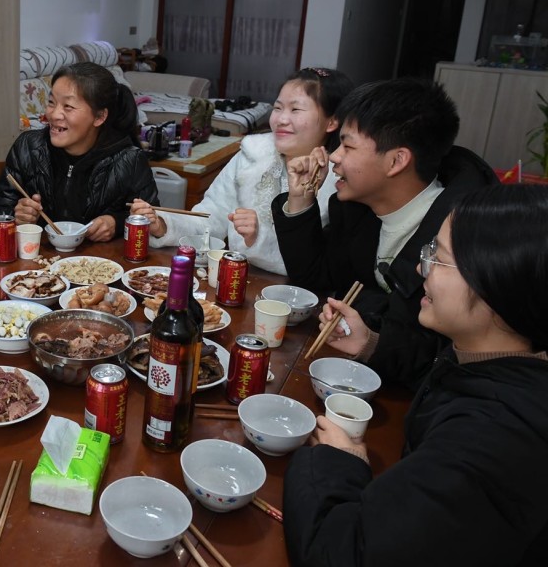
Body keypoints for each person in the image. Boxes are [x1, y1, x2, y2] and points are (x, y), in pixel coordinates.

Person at [284, 184, 548, 566]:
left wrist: (338, 461)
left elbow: (341, 554)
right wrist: (371, 343)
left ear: (496, 281)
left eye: (437, 257)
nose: (421, 268)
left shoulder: (492, 438)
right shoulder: (492, 358)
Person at [271, 78, 498, 389]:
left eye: (347, 146)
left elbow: (455, 350)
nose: (334, 156)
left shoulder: (463, 237)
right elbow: (316, 280)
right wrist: (300, 198)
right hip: (354, 372)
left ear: (396, 161)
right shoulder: (356, 210)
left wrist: (374, 341)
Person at [130, 68, 353, 274]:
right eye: (277, 108)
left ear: (331, 121)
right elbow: (210, 217)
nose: (281, 119)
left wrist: (258, 238)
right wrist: (164, 224)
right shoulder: (252, 153)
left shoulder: (343, 178)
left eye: (295, 109)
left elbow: (324, 265)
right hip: (236, 279)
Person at [0, 61, 159, 241]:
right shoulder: (28, 147)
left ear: (99, 117)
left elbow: (152, 225)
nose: (53, 115)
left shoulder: (130, 160)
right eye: (52, 102)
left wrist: (117, 222)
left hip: (98, 266)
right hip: (36, 264)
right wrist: (16, 217)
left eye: (68, 106)